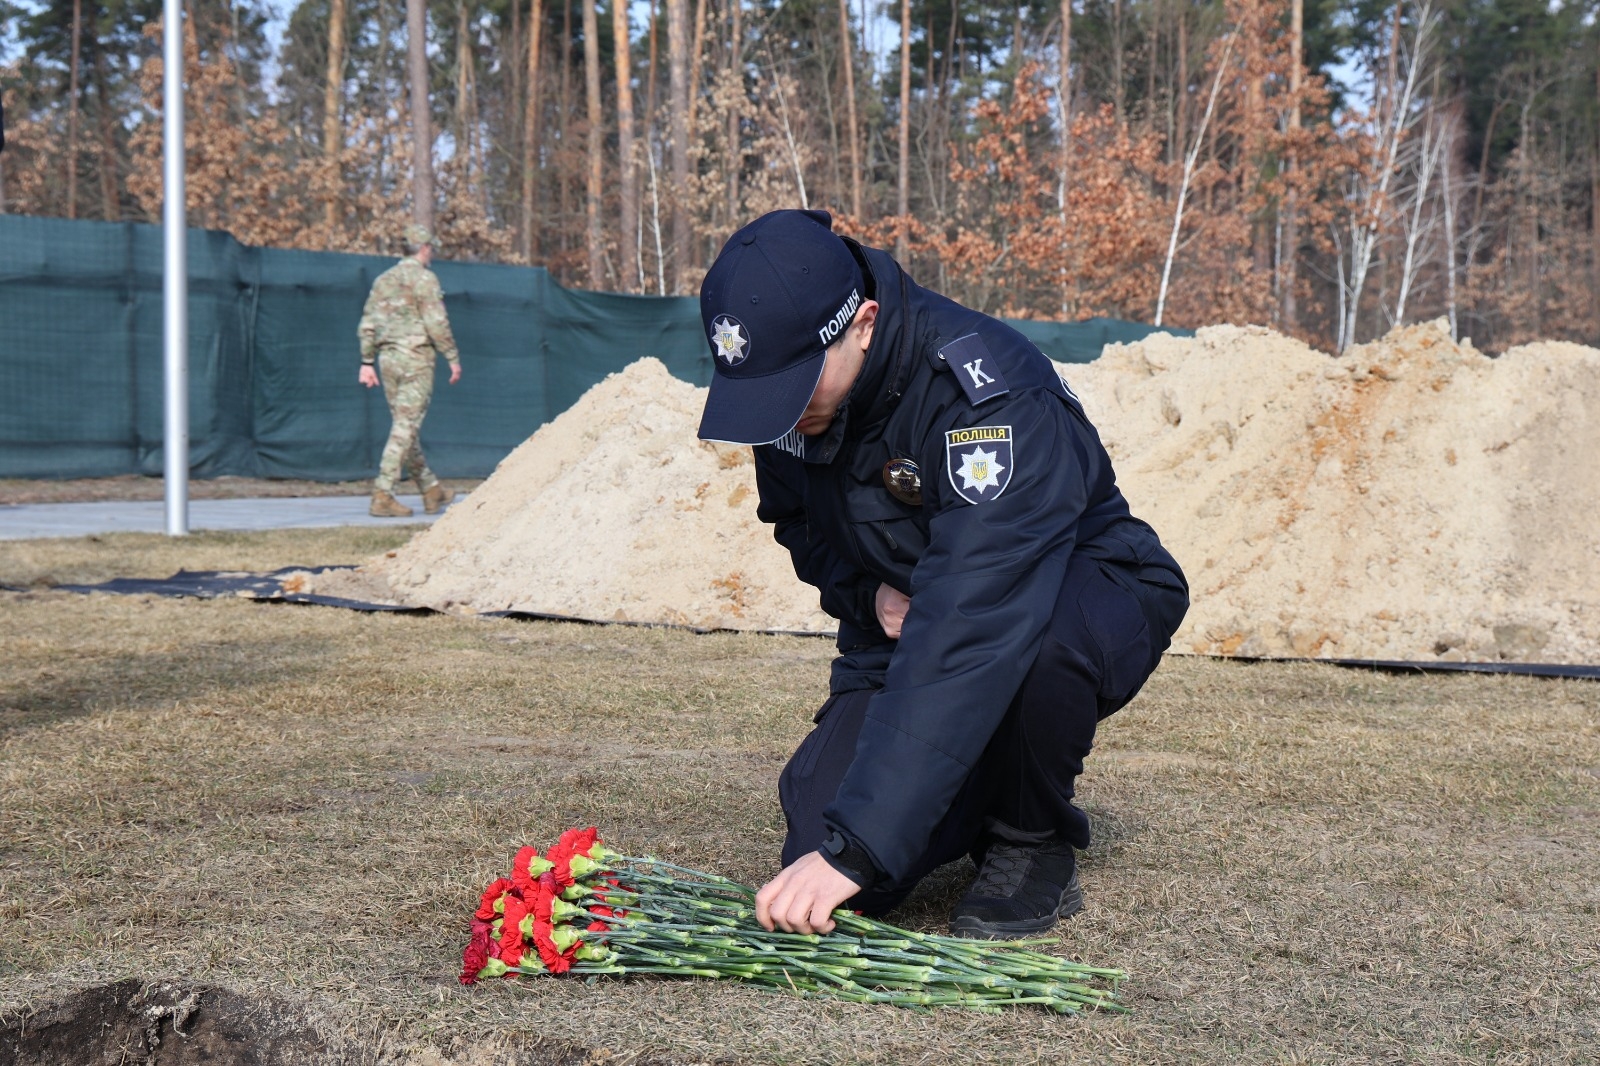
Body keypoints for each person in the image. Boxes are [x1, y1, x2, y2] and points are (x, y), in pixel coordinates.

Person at [697, 209, 1190, 940]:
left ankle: (1029, 838)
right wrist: (870, 594)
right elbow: (802, 525)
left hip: (1075, 595)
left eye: (797, 383)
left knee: (1039, 642)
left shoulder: (988, 400)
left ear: (862, 324)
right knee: (826, 862)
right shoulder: (795, 401)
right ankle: (971, 773)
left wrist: (864, 841)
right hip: (924, 629)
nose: (784, 409)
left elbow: (973, 622)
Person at [358, 223, 462, 517]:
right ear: (425, 248)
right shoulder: (425, 279)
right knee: (405, 427)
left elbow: (368, 324)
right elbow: (437, 323)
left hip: (387, 360)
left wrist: (367, 362)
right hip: (416, 361)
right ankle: (382, 494)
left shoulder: (383, 280)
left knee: (406, 428)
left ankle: (432, 490)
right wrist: (452, 357)